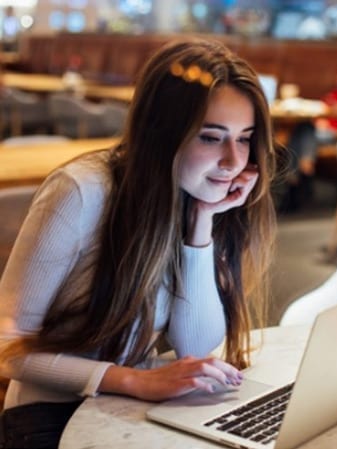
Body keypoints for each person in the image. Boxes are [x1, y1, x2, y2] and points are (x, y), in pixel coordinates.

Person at [0, 37, 278, 448]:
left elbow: (196, 344)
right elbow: (7, 345)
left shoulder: (193, 196)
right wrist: (133, 380)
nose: (234, 162)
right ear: (162, 133)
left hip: (130, 407)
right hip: (48, 417)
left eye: (243, 138)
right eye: (211, 137)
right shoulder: (82, 191)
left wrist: (202, 221)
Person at [281, 61, 337, 212]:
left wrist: (331, 124)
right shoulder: (335, 95)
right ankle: (305, 164)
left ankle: (293, 179)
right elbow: (322, 107)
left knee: (304, 131)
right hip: (320, 132)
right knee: (303, 129)